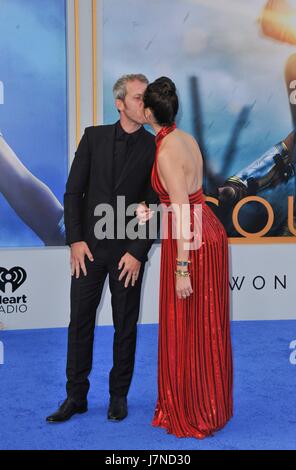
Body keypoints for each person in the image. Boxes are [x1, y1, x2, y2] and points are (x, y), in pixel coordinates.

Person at [46, 74, 158, 423]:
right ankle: (75, 396)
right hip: (89, 250)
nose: (145, 104)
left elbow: (154, 204)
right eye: (139, 98)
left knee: (125, 325)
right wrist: (75, 241)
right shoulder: (93, 137)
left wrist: (138, 251)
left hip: (127, 252)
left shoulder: (156, 146)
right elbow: (72, 192)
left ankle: (118, 397)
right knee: (79, 322)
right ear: (120, 103)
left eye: (147, 98)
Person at [142, 77, 233, 439]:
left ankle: (195, 410)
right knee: (206, 322)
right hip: (207, 230)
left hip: (190, 242)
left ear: (148, 112)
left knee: (190, 323)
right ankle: (211, 403)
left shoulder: (165, 152)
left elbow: (181, 213)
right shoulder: (186, 139)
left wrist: (182, 269)